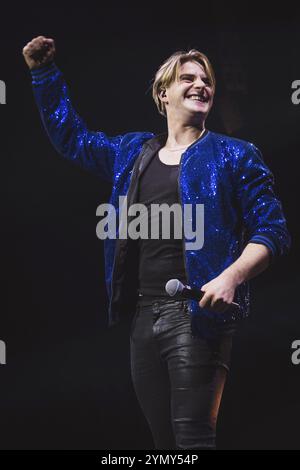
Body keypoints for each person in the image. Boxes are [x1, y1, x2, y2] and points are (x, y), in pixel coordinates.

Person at [22, 36, 290, 450]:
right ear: (163, 94)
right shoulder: (133, 153)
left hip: (196, 314)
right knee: (163, 445)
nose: (201, 84)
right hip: (144, 318)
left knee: (192, 441)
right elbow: (72, 138)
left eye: (207, 80)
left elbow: (273, 231)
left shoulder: (234, 155)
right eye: (188, 78)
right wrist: (44, 74)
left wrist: (230, 278)